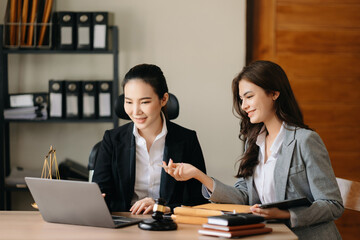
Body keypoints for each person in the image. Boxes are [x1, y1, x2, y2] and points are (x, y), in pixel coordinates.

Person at [163, 60, 344, 239]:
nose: (243, 106)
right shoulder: (254, 143)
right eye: (242, 99)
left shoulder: (305, 140)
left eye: (249, 97)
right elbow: (244, 197)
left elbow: (332, 204)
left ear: (273, 93)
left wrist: (287, 215)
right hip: (268, 235)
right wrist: (198, 175)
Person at [93, 64, 207, 214]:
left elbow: (198, 201)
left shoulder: (187, 140)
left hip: (168, 225)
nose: (135, 111)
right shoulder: (112, 139)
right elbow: (100, 193)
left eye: (144, 102)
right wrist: (96, 200)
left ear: (164, 99)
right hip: (124, 223)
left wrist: (160, 206)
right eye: (129, 102)